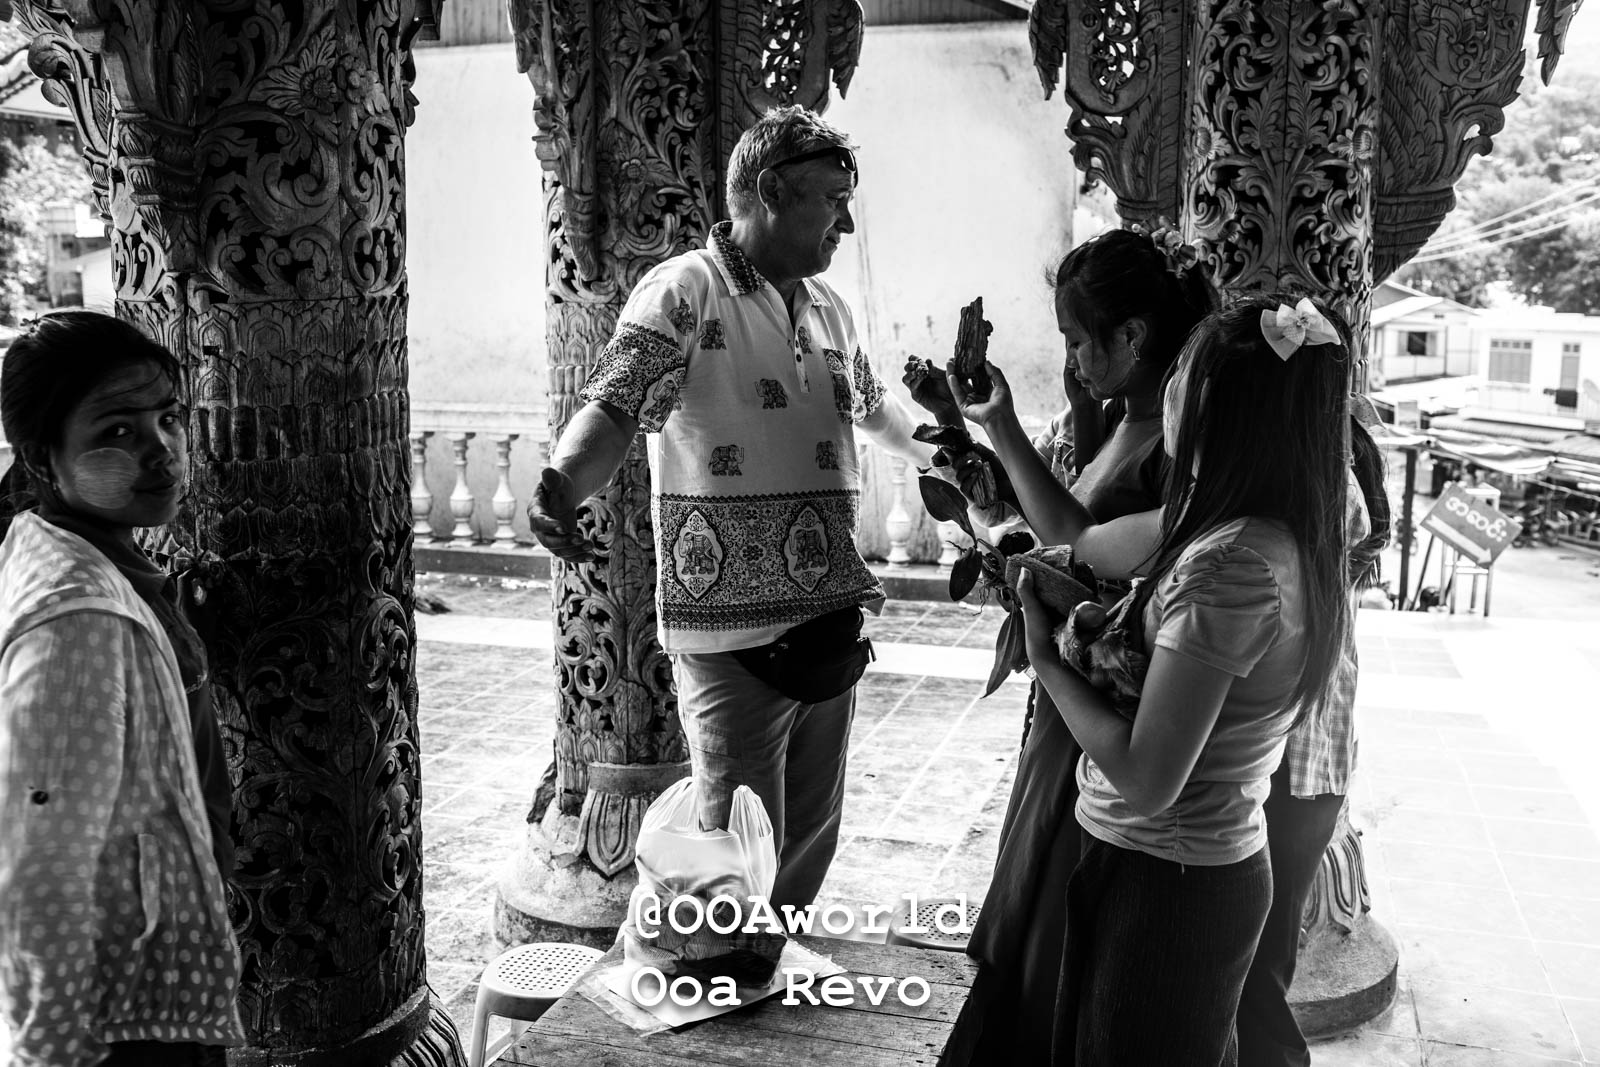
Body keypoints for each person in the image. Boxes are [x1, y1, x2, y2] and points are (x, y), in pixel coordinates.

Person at [528, 106, 934, 911]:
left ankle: (778, 1001)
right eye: (832, 197)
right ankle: (732, 1011)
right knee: (735, 875)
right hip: (731, 640)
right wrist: (561, 481)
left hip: (827, 627)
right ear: (772, 191)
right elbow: (614, 407)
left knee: (805, 854)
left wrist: (947, 449)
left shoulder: (827, 308)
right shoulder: (687, 291)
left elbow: (875, 409)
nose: (847, 220)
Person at [945, 293, 1354, 1065]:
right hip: (1178, 866)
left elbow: (1146, 775)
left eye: (1185, 378)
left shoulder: (1230, 567)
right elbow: (1097, 547)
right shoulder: (1265, 533)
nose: (1170, 394)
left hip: (1167, 881)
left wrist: (1046, 657)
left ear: (1222, 413)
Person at [911, 225, 1217, 1064]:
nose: (1074, 359)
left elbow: (1079, 537)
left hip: (1103, 694)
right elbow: (1067, 513)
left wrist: (1001, 426)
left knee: (1052, 898)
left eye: (1080, 341)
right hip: (1069, 687)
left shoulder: (1176, 440)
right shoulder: (1127, 416)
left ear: (1134, 336)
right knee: (1032, 880)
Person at [0, 311, 244, 1066]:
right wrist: (56, 1049)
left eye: (168, 419)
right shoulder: (77, 620)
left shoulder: (87, 550)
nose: (162, 451)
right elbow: (36, 865)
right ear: (44, 459)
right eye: (116, 433)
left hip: (143, 980)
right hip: (119, 1025)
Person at [1236, 416, 1392, 1067]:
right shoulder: (1332, 471)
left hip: (1297, 759)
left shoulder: (1315, 482)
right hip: (1309, 761)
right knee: (1261, 959)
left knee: (1258, 962)